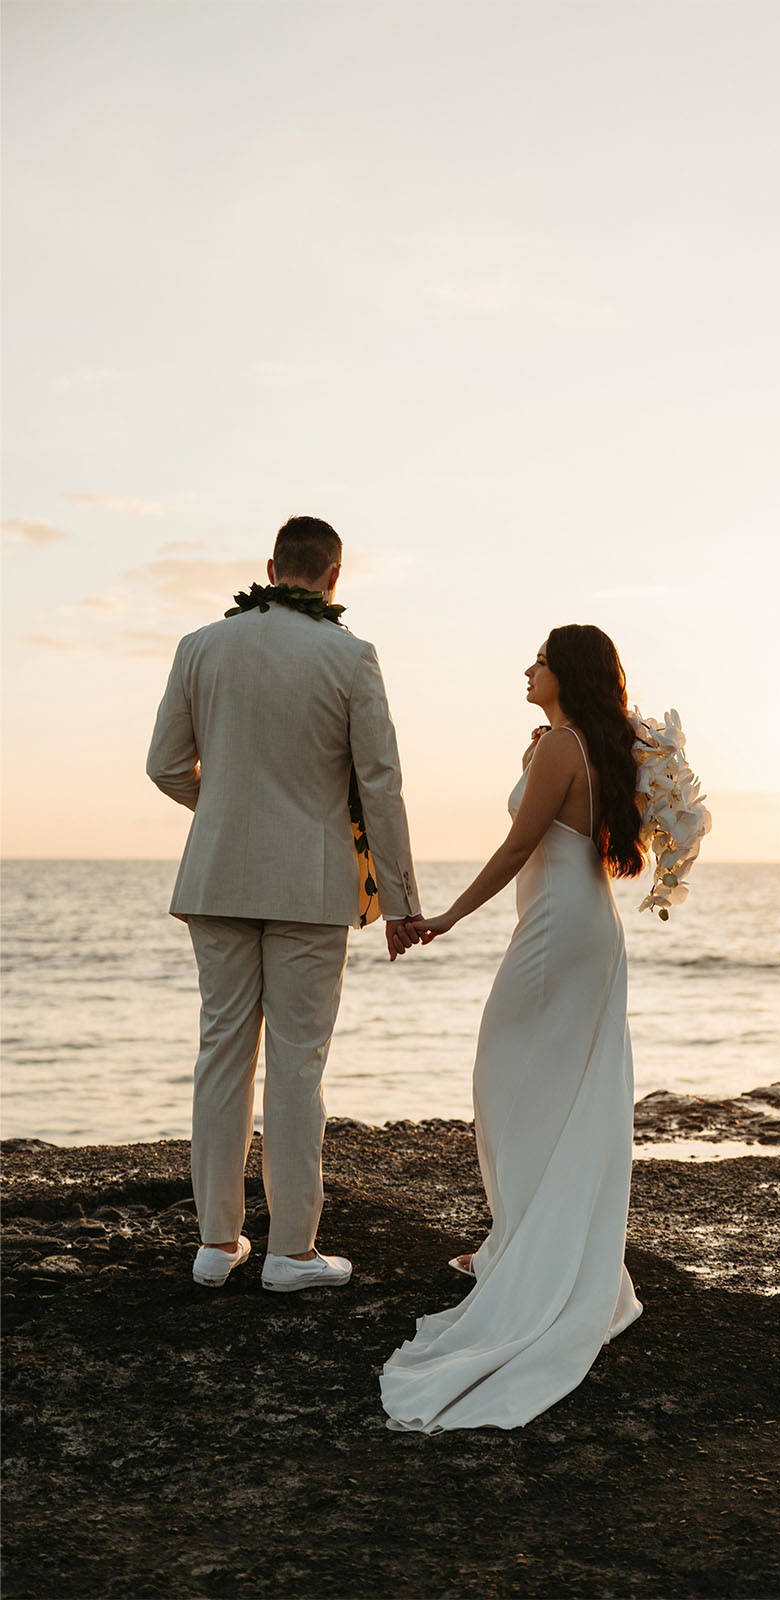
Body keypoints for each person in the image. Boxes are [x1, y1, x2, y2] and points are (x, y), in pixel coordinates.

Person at [146, 515, 422, 1293]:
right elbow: (381, 785)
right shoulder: (349, 654)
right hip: (311, 881)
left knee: (220, 1055)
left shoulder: (200, 644)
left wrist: (228, 814)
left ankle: (213, 1245)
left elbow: (164, 765)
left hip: (216, 877)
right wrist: (400, 900)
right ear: (335, 576)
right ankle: (291, 1253)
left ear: (270, 566)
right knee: (298, 1065)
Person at [380, 623, 645, 1432]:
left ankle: (524, 1255)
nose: (525, 669)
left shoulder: (564, 745)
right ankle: (514, 1244)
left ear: (564, 671)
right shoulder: (576, 744)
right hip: (580, 926)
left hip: (557, 931)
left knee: (507, 1085)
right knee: (551, 1093)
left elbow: (517, 844)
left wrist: (449, 916)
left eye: (536, 659)